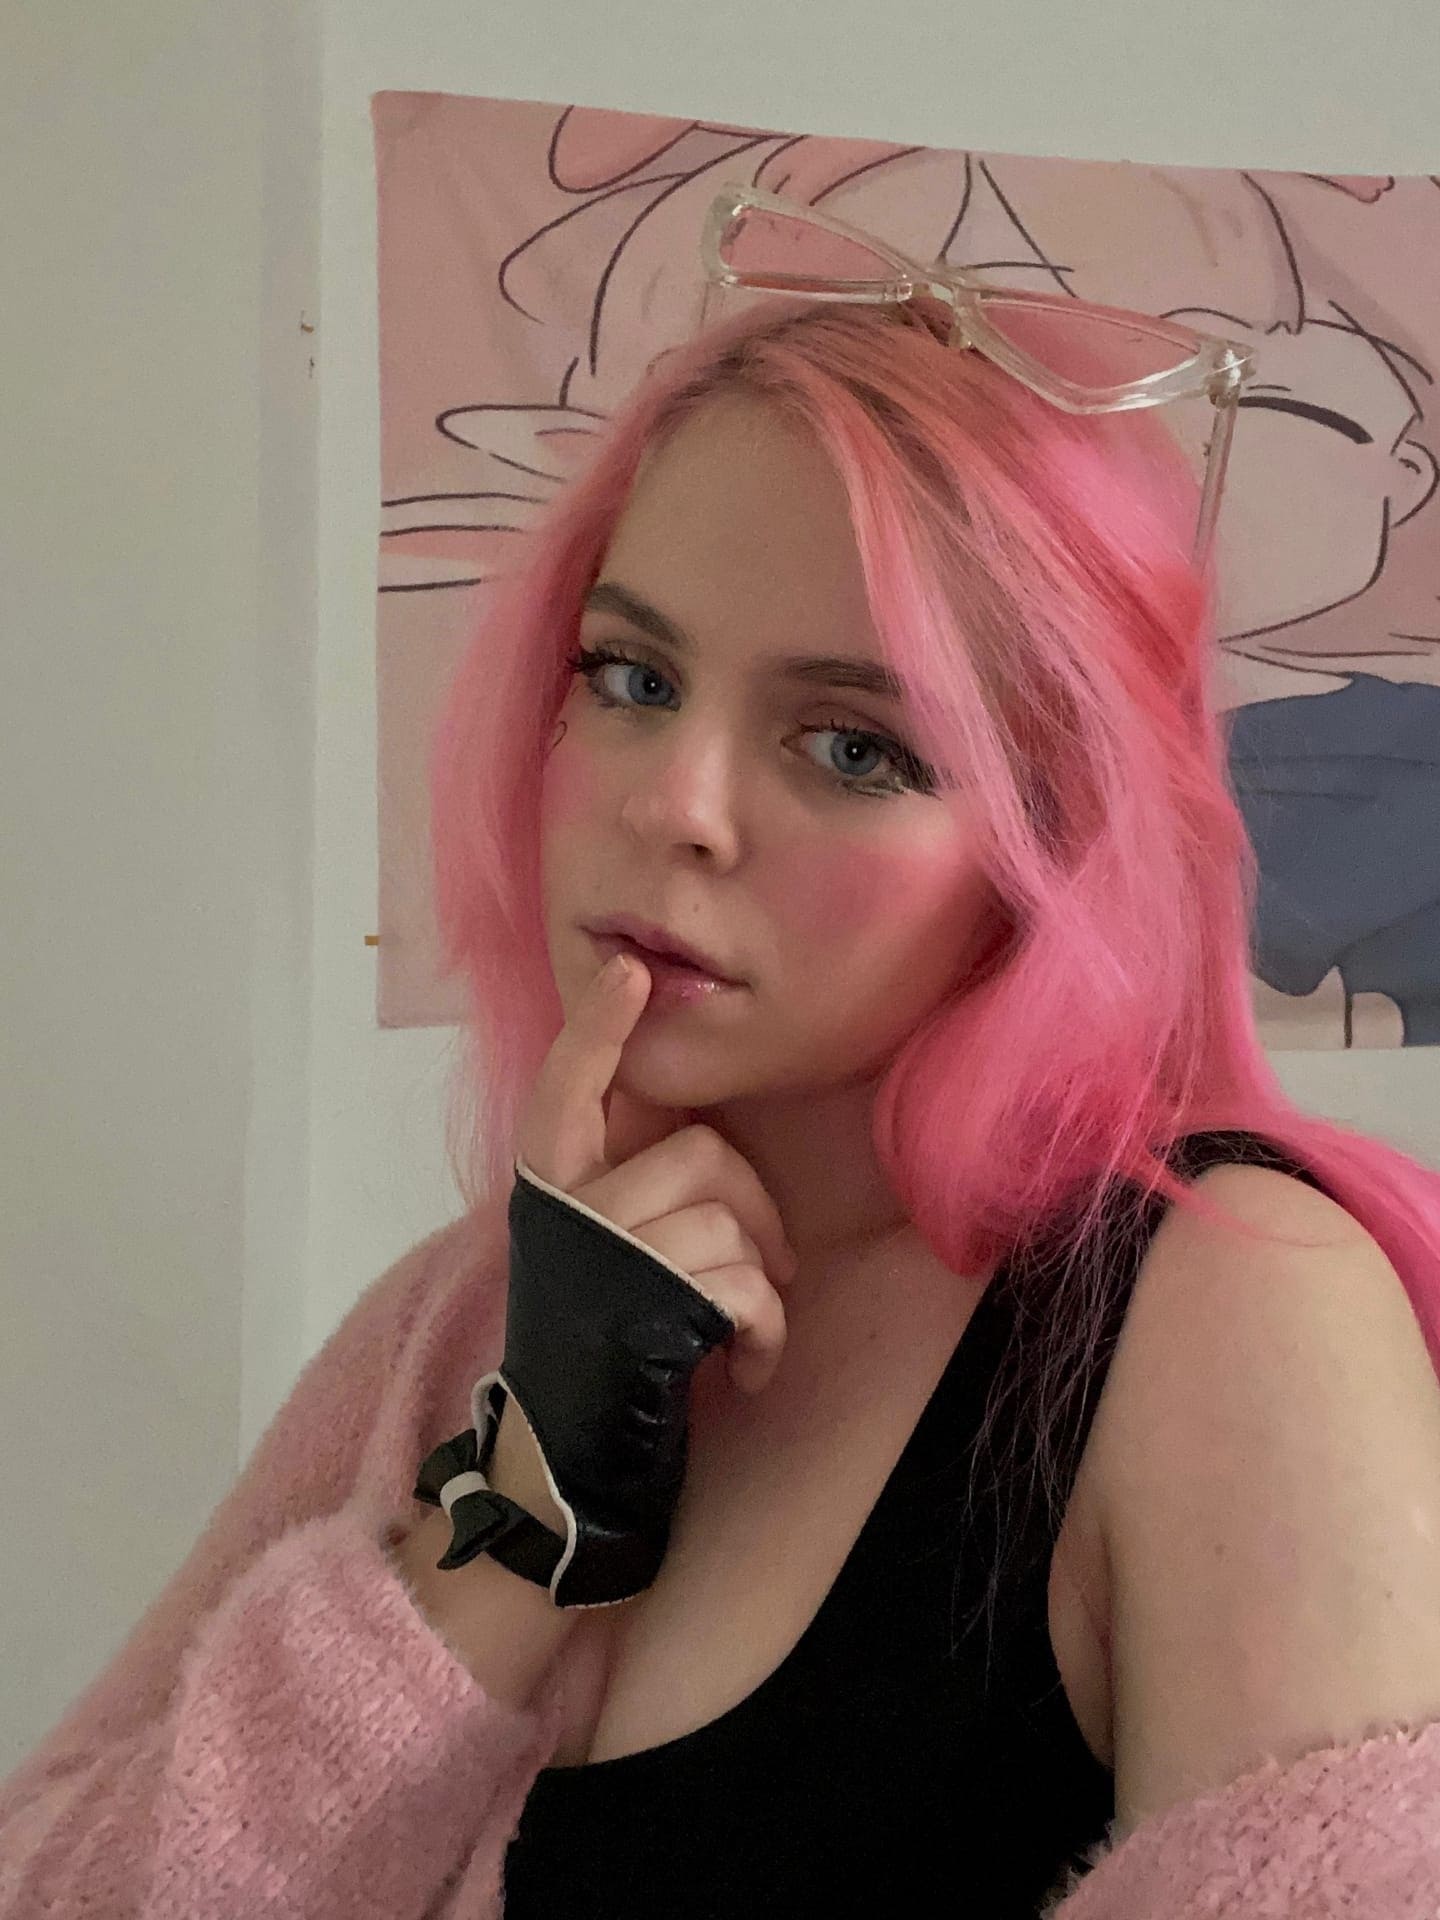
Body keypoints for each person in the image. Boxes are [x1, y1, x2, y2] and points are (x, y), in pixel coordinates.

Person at [4, 291, 1440, 1920]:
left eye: (855, 747)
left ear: (1052, 847)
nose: (675, 804)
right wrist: (524, 1517)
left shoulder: (1232, 1307)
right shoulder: (464, 1318)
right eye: (631, 675)